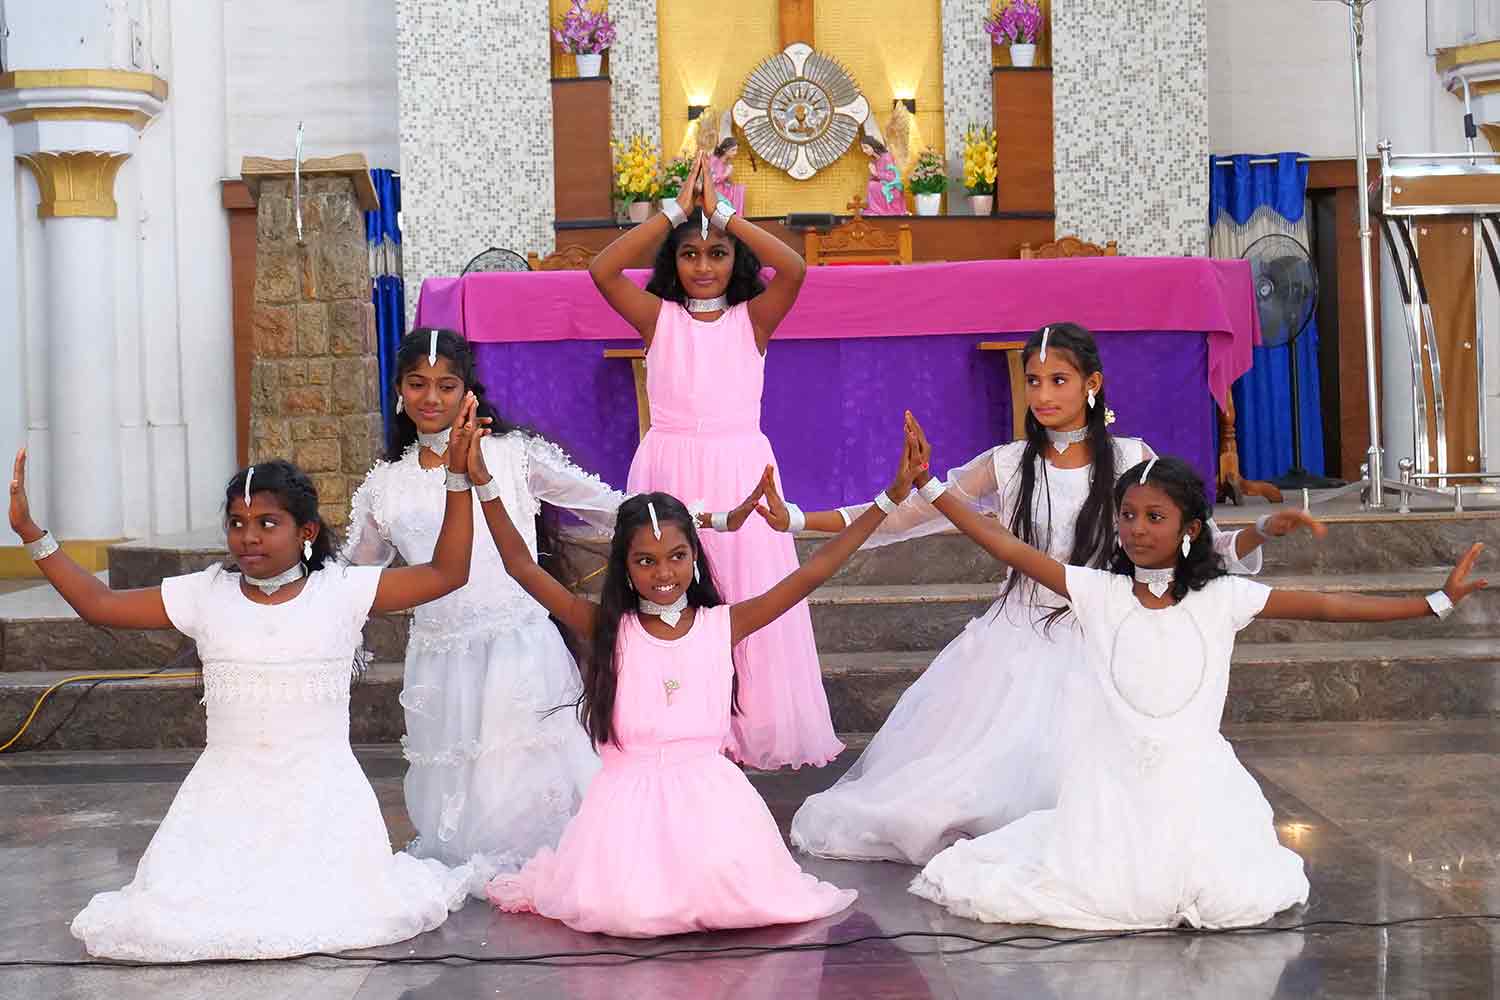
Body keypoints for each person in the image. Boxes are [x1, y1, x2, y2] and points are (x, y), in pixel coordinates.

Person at [785, 323, 1313, 865]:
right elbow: (909, 514)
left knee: (1107, 801)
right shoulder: (1009, 463)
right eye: (1033, 381)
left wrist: (1260, 531)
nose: (1042, 395)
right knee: (963, 795)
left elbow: (1199, 545)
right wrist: (801, 519)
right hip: (1014, 641)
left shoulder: (1131, 458)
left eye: (1058, 380)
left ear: (1092, 383)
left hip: (1105, 637)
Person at [909, 436, 1488, 930]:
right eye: (1127, 515)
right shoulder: (1097, 592)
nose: (1136, 529)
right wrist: (931, 486)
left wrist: (1433, 602)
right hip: (1110, 790)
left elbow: (1325, 605)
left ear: (1189, 530)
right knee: (1103, 886)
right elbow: (1005, 544)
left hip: (1197, 786)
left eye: (1154, 518)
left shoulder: (1222, 597)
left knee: (1219, 888)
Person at [42, 396, 485, 960]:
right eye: (237, 524)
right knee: (176, 918)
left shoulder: (342, 590)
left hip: (323, 800)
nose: (248, 537)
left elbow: (448, 572)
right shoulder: (206, 592)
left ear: (306, 531)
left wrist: (457, 481)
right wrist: (34, 536)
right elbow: (99, 604)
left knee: (339, 909)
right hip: (221, 801)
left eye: (267, 523)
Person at [483, 421, 925, 936]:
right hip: (625, 813)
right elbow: (521, 565)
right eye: (645, 561)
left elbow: (814, 570)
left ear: (695, 557)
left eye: (677, 556)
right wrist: (481, 484)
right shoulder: (608, 628)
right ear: (625, 568)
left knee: (740, 901)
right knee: (629, 911)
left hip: (713, 805)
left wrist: (891, 498)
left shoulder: (722, 624)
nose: (663, 572)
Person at [344, 328, 626, 886]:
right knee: (461, 787)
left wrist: (698, 519)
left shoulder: (511, 456)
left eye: (446, 385)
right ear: (398, 391)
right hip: (441, 658)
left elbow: (605, 508)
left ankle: (543, 869)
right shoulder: (386, 486)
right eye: (417, 384)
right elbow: (354, 576)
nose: (431, 398)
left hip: (518, 643)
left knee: (517, 774)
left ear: (467, 390)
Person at [588, 152, 840, 770]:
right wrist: (674, 212)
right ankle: (675, 719)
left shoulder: (753, 319)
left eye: (718, 253)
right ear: (671, 261)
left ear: (737, 259)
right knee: (675, 589)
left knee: (746, 594)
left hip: (738, 468)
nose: (704, 266)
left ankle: (748, 723)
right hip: (669, 467)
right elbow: (602, 269)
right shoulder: (659, 318)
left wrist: (722, 213)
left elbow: (795, 267)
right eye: (690, 253)